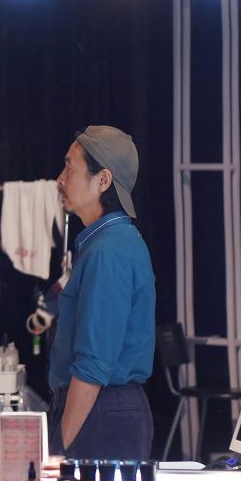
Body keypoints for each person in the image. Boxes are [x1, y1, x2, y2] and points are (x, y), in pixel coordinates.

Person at [48, 126, 156, 460]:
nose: (60, 179)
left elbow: (93, 365)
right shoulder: (108, 242)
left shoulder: (108, 251)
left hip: (100, 413)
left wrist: (59, 451)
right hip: (103, 410)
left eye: (70, 167)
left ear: (103, 181)